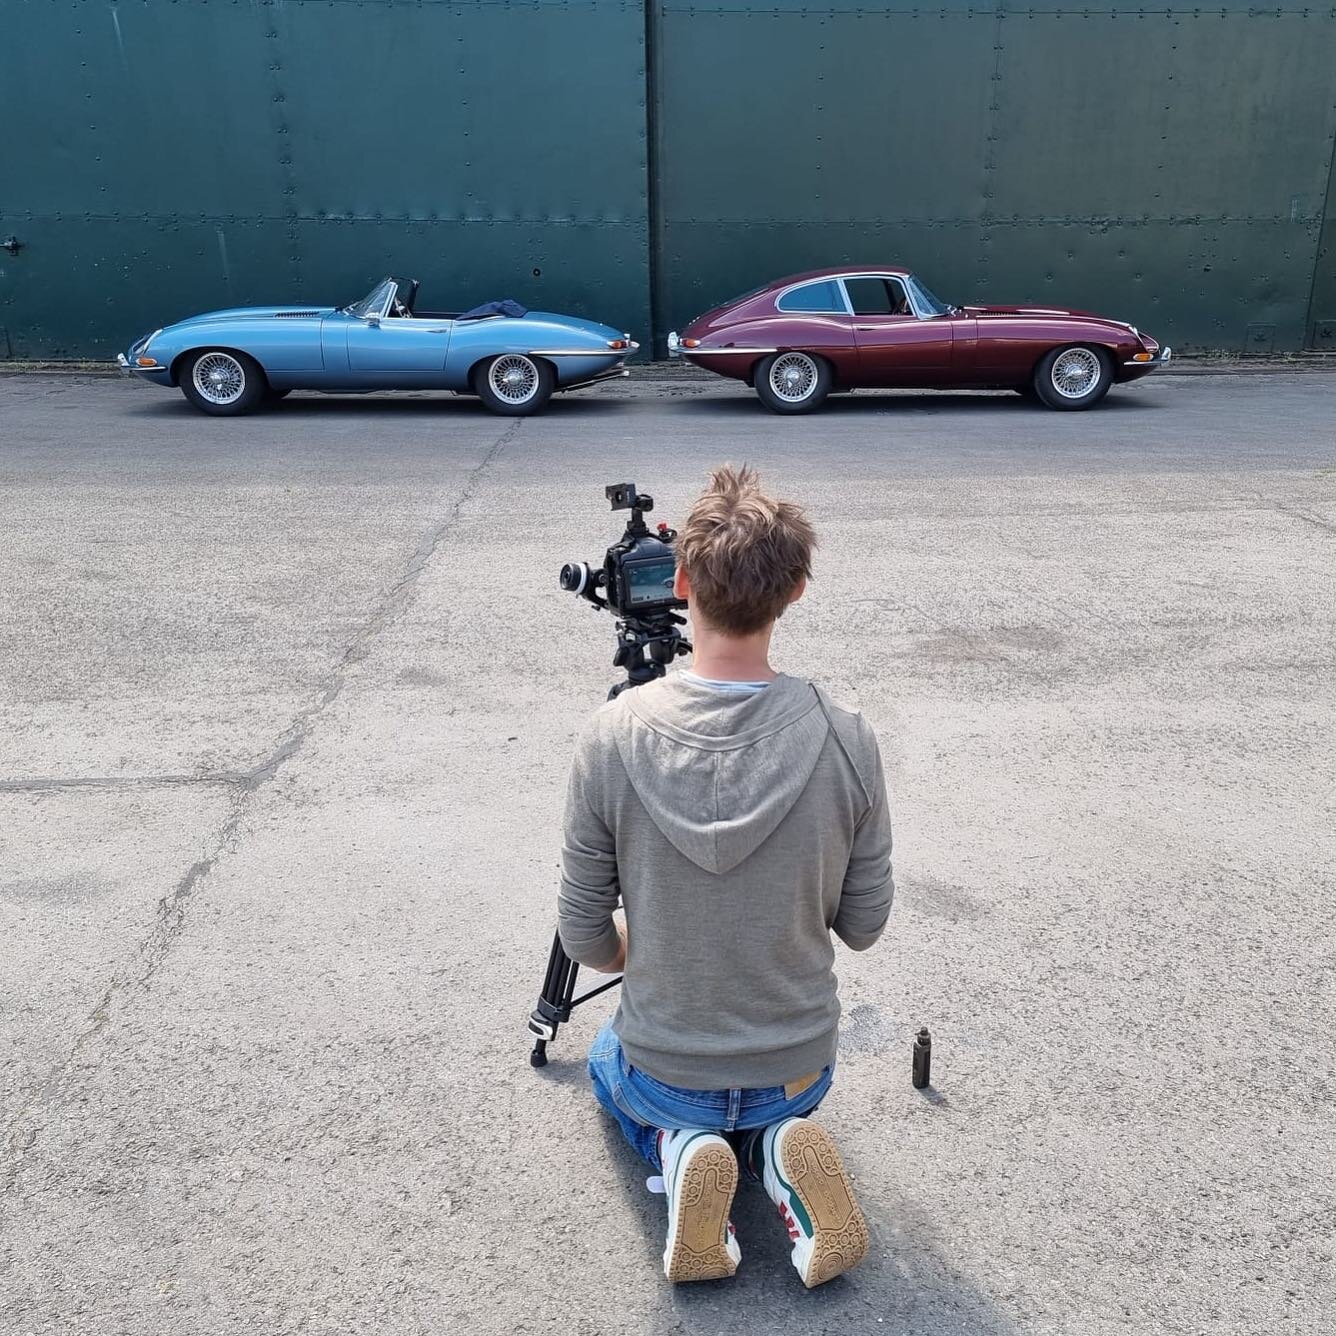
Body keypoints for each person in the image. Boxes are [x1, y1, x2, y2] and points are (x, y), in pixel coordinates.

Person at [558, 464, 894, 1287]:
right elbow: (865, 924)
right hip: (798, 1068)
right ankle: (777, 1152)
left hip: (668, 1070)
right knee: (770, 1100)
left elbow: (582, 933)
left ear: (678, 583)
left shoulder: (611, 736)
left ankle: (681, 1150)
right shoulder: (846, 735)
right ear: (798, 591)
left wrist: (641, 949)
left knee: (609, 1056)